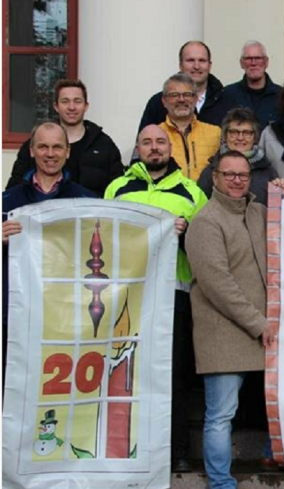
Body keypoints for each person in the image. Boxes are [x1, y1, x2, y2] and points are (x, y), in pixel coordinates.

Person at [104, 124, 208, 473]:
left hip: (174, 296)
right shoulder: (117, 188)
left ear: (170, 147)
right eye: (147, 142)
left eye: (160, 142)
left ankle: (176, 451)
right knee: (127, 373)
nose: (154, 147)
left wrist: (185, 233)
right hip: (127, 297)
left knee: (173, 376)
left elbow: (207, 246)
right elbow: (103, 237)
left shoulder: (191, 192)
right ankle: (128, 448)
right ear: (137, 148)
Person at [187, 151, 276, 488]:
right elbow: (218, 285)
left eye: (243, 174)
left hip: (263, 328)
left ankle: (274, 455)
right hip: (225, 333)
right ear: (215, 178)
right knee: (221, 415)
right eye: (229, 174)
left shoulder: (260, 213)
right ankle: (221, 483)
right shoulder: (205, 221)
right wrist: (259, 323)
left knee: (279, 404)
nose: (237, 180)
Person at [3, 122, 95, 386]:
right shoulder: (6, 203)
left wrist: (166, 228)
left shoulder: (88, 204)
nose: (50, 153)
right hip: (16, 317)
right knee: (13, 388)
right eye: (43, 146)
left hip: (66, 317)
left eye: (57, 147)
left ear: (68, 152)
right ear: (32, 151)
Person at [7, 80, 123, 197]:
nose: (71, 107)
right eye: (65, 101)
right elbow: (15, 190)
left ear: (86, 106)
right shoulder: (36, 144)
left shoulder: (105, 145)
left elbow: (119, 189)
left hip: (92, 208)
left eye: (77, 101)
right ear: (56, 106)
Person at [139, 40, 228, 129]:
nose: (196, 66)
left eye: (202, 60)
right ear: (180, 65)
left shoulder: (227, 100)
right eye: (190, 60)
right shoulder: (158, 102)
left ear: (209, 65)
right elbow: (145, 136)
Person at [197, 108, 277, 205]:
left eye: (247, 133)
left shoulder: (268, 173)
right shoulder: (211, 171)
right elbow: (200, 206)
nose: (240, 138)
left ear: (255, 137)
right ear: (225, 136)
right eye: (234, 132)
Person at [158, 73, 222, 181]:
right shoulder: (155, 135)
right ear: (164, 101)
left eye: (187, 94)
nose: (181, 99)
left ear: (196, 99)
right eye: (174, 95)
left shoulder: (216, 133)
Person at [221, 41, 282, 129]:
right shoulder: (227, 95)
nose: (253, 63)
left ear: (266, 62)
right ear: (241, 63)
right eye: (248, 58)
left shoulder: (281, 96)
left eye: (258, 58)